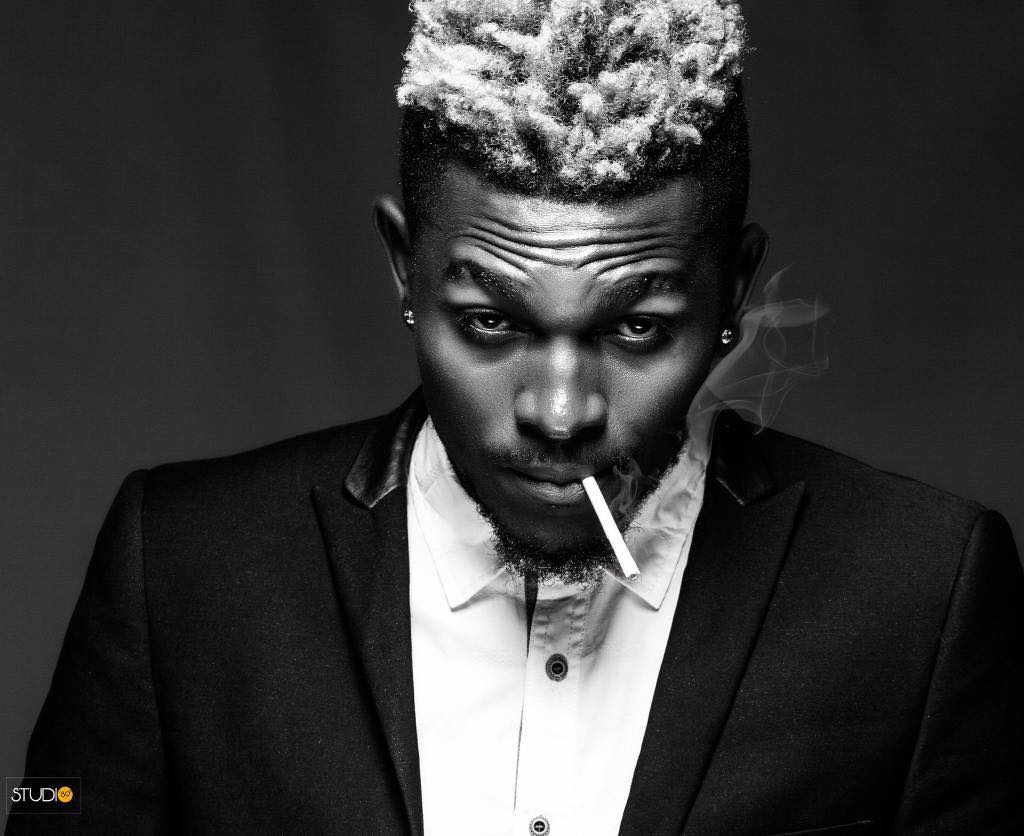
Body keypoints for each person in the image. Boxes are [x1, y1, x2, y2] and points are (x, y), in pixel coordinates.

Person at [8, 1, 1023, 833]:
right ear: (404, 268)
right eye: (491, 321)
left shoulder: (922, 590)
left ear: (733, 290)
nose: (559, 413)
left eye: (636, 327)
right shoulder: (178, 564)